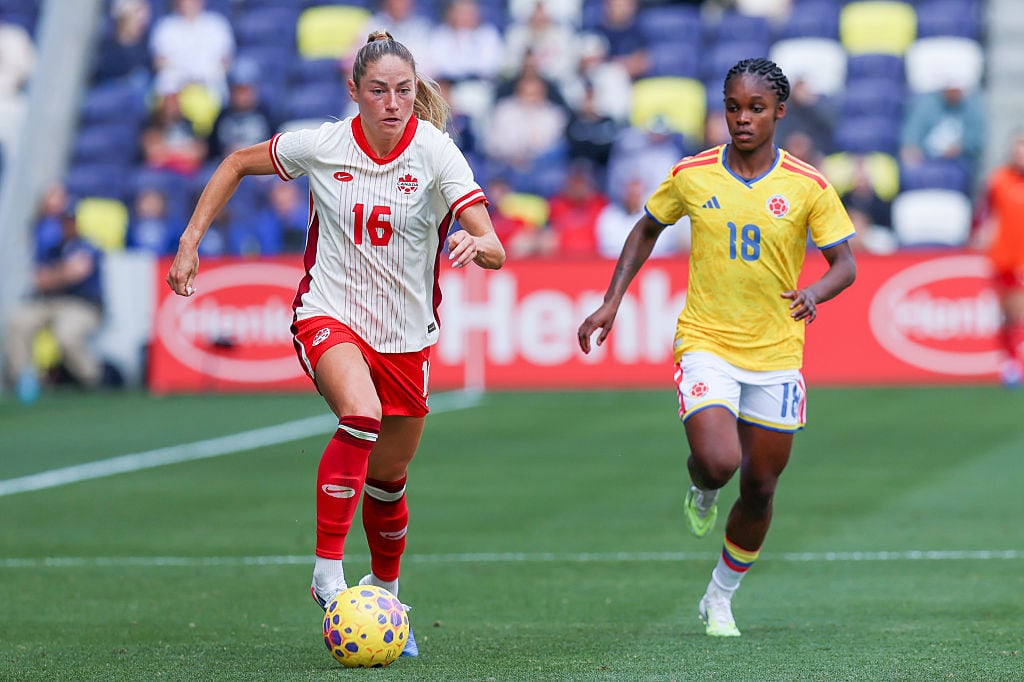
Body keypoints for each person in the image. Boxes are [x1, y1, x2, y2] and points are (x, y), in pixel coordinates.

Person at [165, 31, 505, 657]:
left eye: (403, 90)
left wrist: (476, 245)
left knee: (390, 478)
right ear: (354, 92)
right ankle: (327, 573)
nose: (393, 102)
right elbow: (236, 161)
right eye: (378, 90)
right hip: (329, 313)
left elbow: (495, 246)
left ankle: (386, 594)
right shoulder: (323, 144)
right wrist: (191, 240)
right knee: (361, 415)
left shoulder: (436, 152)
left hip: (405, 337)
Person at [577, 58, 857, 637]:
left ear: (780, 111)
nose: (742, 119)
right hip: (706, 340)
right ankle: (701, 485)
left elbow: (846, 264)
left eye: (756, 108)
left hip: (778, 352)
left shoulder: (808, 185)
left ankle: (719, 596)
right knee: (719, 461)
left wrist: (815, 293)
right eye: (733, 107)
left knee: (760, 485)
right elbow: (647, 228)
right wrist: (612, 300)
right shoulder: (692, 173)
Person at [4, 201, 105, 404]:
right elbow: (39, 279)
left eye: (70, 221)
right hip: (51, 302)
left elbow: (76, 273)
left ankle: (92, 379)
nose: (66, 225)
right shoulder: (53, 248)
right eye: (63, 221)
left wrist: (55, 275)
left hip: (82, 304)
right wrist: (62, 274)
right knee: (18, 321)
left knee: (66, 334)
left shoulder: (88, 246)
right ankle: (24, 379)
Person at [971, 131, 1024, 387]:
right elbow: (983, 215)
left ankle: (1014, 362)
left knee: (1018, 313)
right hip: (1004, 258)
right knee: (1009, 315)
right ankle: (1010, 364)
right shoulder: (998, 180)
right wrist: (979, 235)